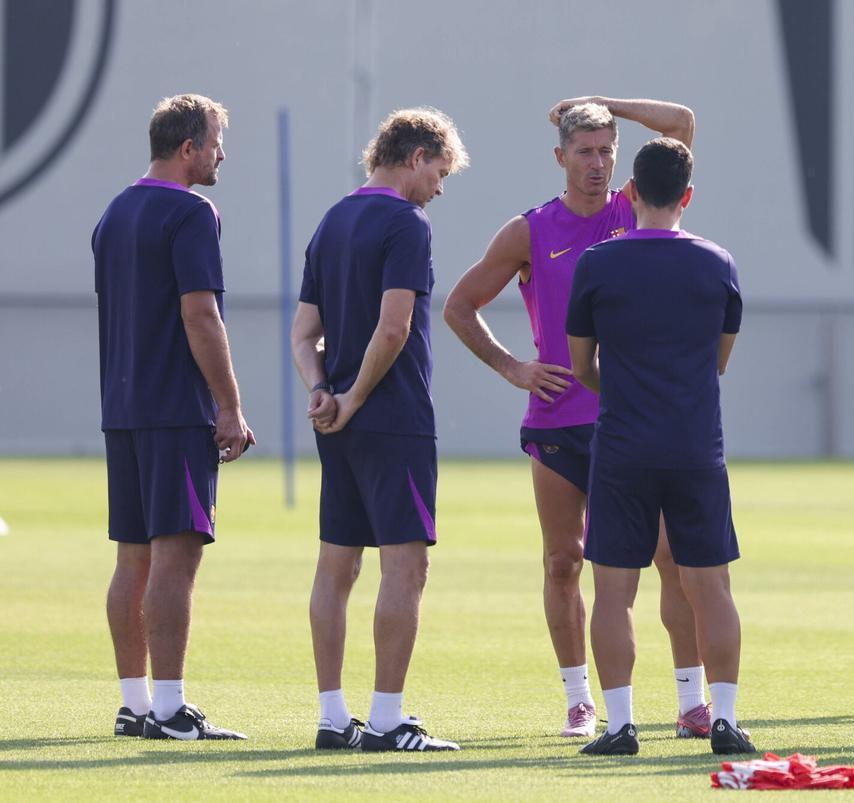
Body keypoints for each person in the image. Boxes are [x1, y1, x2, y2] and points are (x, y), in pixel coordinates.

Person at [443, 97, 711, 740]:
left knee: (672, 558)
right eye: (585, 151)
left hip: (635, 419)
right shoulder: (529, 230)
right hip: (560, 420)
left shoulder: (632, 208)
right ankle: (578, 699)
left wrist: (604, 101)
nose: (597, 163)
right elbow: (459, 305)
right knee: (564, 561)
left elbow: (681, 124)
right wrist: (515, 368)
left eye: (606, 150)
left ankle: (691, 700)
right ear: (560, 157)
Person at [566, 137, 753, 757]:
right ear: (688, 196)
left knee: (614, 591)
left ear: (633, 193)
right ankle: (722, 719)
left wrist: (622, 385)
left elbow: (581, 363)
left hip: (621, 444)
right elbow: (719, 360)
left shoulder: (597, 262)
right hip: (696, 445)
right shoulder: (717, 263)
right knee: (711, 586)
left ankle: (619, 726)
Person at [291, 107, 468, 752]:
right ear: (417, 156)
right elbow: (394, 328)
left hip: (336, 422)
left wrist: (323, 392)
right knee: (406, 567)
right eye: (440, 172)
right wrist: (358, 398)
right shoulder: (405, 222)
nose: (440, 189)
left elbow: (303, 333)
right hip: (391, 419)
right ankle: (388, 720)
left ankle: (333, 717)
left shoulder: (332, 218)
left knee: (335, 566)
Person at [94, 94, 253, 740]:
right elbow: (200, 315)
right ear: (188, 148)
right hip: (173, 409)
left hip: (123, 408)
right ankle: (169, 708)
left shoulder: (114, 212)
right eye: (216, 141)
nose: (222, 154)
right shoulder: (192, 212)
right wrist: (229, 405)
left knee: (131, 560)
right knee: (173, 561)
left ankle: (134, 703)